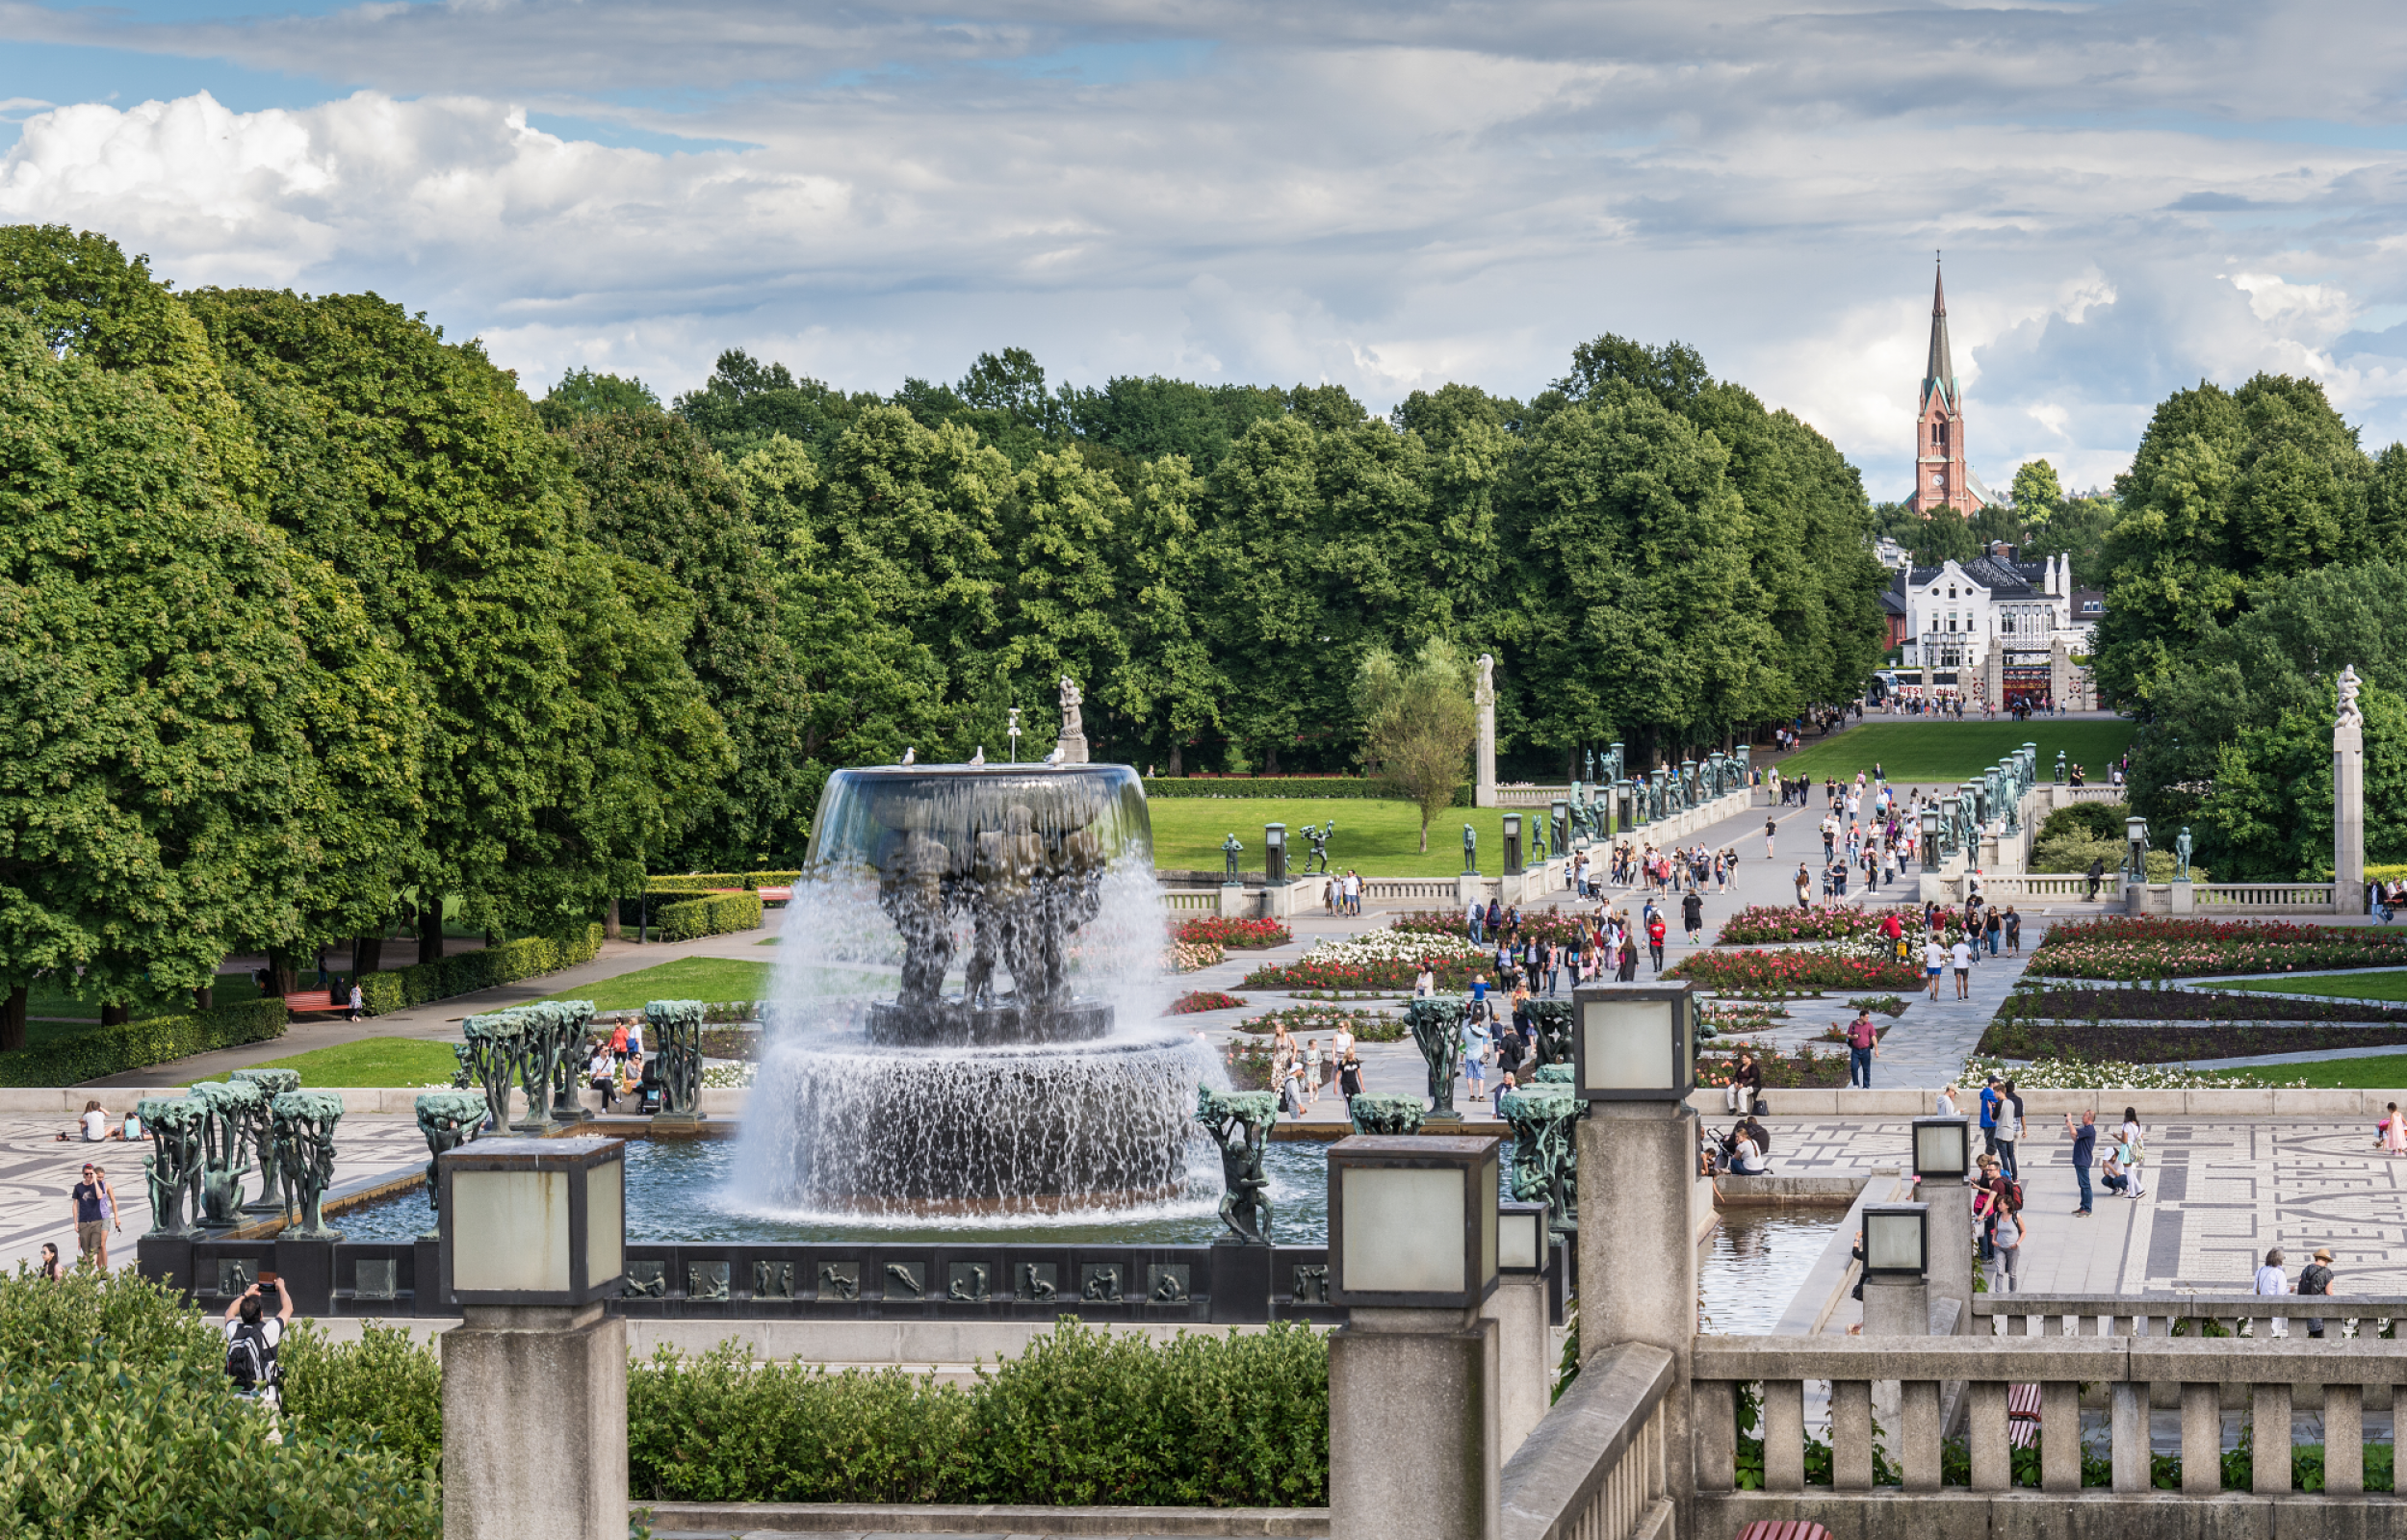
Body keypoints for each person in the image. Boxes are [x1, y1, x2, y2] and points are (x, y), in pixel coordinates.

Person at [223, 1276, 294, 1417]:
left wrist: (247, 1293)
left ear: (242, 1314)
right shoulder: (268, 1331)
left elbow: (229, 1312)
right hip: (265, 1400)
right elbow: (288, 1308)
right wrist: (281, 1287)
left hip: (238, 1402)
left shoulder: (234, 1331)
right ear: (261, 1314)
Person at [69, 1163, 116, 1271]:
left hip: (97, 1220)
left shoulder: (98, 1184)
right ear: (83, 1173)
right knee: (86, 1251)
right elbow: (75, 1205)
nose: (89, 1176)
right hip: (83, 1221)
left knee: (95, 1248)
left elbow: (99, 1196)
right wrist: (75, 1222)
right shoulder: (78, 1187)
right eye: (87, 1174)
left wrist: (95, 1180)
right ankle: (88, 1272)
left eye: (91, 1173)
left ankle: (93, 1272)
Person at [1988, 1177, 2025, 1292]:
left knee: (2012, 1273)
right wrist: (1993, 1240)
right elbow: (1996, 1229)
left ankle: (2012, 1293)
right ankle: (1998, 1294)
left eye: (2000, 1204)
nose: (1998, 1206)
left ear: (2007, 1206)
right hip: (1999, 1247)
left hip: (2012, 1248)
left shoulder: (2016, 1216)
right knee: (1999, 1272)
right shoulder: (1997, 1215)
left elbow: (2023, 1231)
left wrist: (2017, 1243)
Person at [2298, 1246, 2337, 1339]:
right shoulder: (2327, 1273)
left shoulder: (2307, 1269)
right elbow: (2329, 1292)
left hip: (2305, 1307)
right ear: (2326, 1260)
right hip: (2319, 1311)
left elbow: (2300, 1286)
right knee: (2318, 1337)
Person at [2064, 1109, 2096, 1216]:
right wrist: (2069, 1125)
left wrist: (2070, 1120)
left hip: (2083, 1160)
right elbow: (2075, 1138)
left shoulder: (2090, 1129)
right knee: (2082, 1184)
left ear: (2089, 1118)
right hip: (2079, 1159)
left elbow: (2074, 1132)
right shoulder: (2086, 1129)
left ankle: (2087, 1208)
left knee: (2085, 1185)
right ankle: (2083, 1206)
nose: (2082, 1117)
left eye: (2084, 1116)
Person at [2254, 1247, 2291, 1338]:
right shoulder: (2279, 1273)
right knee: (2274, 1333)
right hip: (2274, 1308)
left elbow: (2255, 1289)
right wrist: (2289, 1290)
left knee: (2260, 1334)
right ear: (2280, 1260)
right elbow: (2280, 1294)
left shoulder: (2260, 1271)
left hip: (2261, 1305)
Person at [1994, 1080, 2024, 1179]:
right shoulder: (2011, 1103)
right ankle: (2015, 1177)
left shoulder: (1999, 1103)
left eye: (1995, 1092)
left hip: (2001, 1133)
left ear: (2000, 1092)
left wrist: (1991, 1108)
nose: (1994, 1095)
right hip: (2010, 1133)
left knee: (2004, 1158)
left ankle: (2007, 1177)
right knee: (2011, 1156)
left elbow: (1994, 1117)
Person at [1845, 1009, 1878, 1090]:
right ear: (1861, 1017)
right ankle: (1856, 1084)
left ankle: (1866, 1086)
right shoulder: (1853, 1024)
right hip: (1855, 1050)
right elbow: (1848, 1035)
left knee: (1866, 1069)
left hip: (1866, 1050)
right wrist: (1853, 1037)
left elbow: (1873, 1037)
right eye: (1866, 1017)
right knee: (1854, 1067)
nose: (1868, 1019)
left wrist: (1876, 1050)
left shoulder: (1869, 1025)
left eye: (1868, 1017)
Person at [1951, 933, 1974, 999]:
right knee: (1965, 980)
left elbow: (1952, 956)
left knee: (1958, 981)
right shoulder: (1967, 947)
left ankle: (1959, 996)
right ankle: (1965, 994)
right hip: (1965, 965)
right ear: (1963, 941)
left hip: (1957, 965)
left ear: (1958, 941)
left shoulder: (1954, 947)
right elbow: (1970, 957)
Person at [1924, 937, 1947, 1001]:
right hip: (1937, 965)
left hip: (1930, 965)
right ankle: (1936, 996)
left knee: (1929, 980)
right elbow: (1942, 957)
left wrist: (1924, 966)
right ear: (1937, 940)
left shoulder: (1928, 947)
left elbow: (1925, 957)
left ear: (1932, 940)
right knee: (1936, 981)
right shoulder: (1939, 947)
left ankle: (1931, 991)